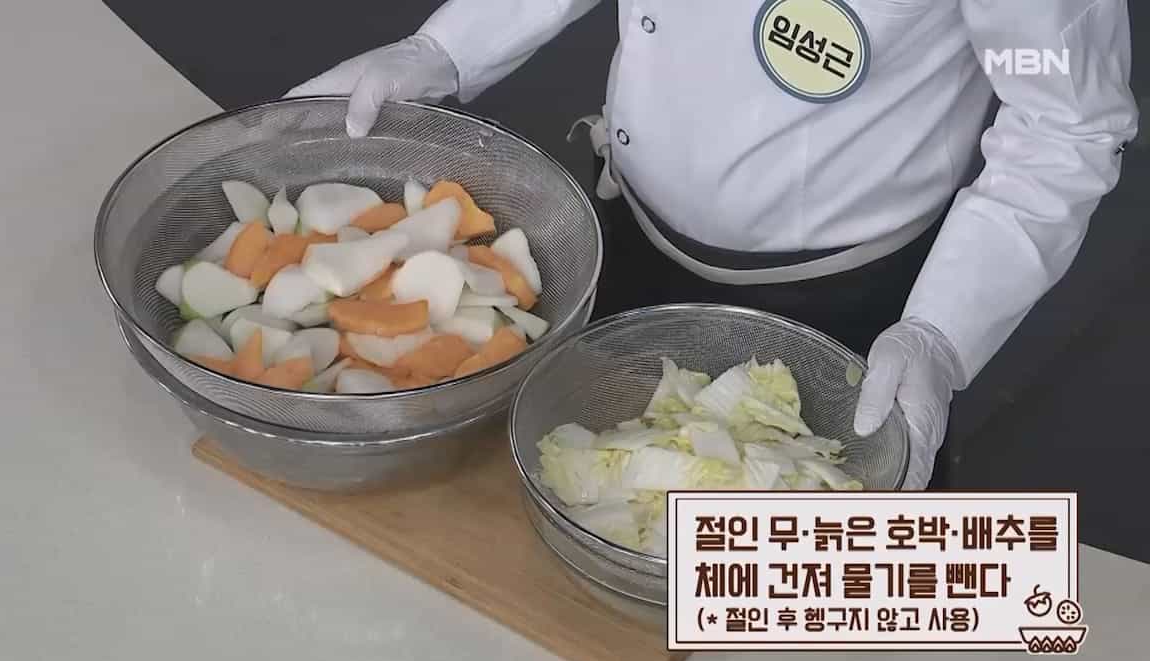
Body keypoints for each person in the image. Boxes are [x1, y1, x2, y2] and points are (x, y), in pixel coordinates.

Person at [287, 0, 1137, 490]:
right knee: (596, 502)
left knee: (791, 606)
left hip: (848, 308)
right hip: (624, 238)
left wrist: (942, 334)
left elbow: (1066, 129)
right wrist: (445, 49)